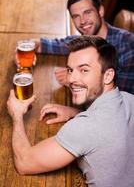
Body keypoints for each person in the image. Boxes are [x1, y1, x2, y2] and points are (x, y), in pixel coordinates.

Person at [7, 36, 134, 187]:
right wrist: (76, 112)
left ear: (108, 75)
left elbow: (24, 163)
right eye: (70, 70)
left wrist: (16, 114)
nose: (72, 78)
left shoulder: (85, 128)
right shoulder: (129, 99)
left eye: (84, 70)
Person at [37, 0, 134, 95]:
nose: (82, 21)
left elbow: (121, 100)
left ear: (100, 11)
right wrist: (38, 45)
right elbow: (67, 44)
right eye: (76, 16)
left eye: (87, 12)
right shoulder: (89, 39)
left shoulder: (127, 45)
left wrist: (77, 80)